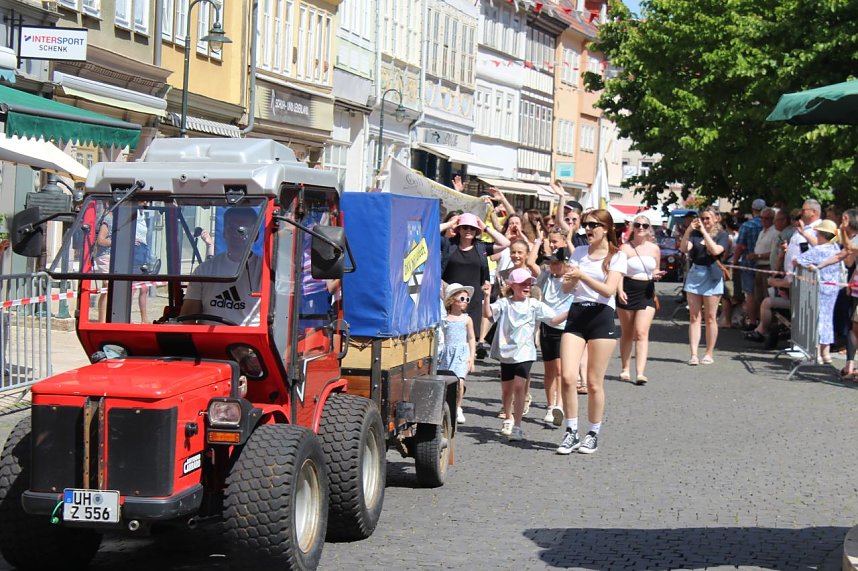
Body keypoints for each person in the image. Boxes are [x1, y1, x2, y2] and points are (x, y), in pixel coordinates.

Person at [555, 209, 627, 455]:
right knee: (567, 376)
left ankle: (593, 432)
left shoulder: (617, 256)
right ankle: (571, 431)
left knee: (594, 383)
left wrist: (582, 275)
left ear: (606, 228)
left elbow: (609, 290)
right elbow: (566, 289)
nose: (588, 229)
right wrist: (571, 278)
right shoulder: (579, 252)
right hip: (577, 315)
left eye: (593, 225)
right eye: (585, 225)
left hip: (601, 317)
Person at [482, 268, 559, 442]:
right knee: (506, 390)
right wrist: (487, 296)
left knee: (519, 386)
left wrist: (573, 313)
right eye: (523, 283)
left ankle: (517, 425)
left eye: (529, 283)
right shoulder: (504, 303)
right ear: (513, 285)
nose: (527, 286)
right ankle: (508, 418)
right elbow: (487, 314)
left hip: (526, 352)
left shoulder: (534, 304)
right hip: (507, 352)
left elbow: (553, 319)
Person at [180, 207, 263, 325]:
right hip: (209, 340)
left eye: (242, 230)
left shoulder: (264, 272)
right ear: (224, 233)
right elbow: (187, 318)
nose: (236, 234)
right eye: (231, 229)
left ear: (256, 235)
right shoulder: (204, 270)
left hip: (249, 341)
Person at [441, 212, 510, 345]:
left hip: (473, 299)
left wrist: (485, 227)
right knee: (448, 335)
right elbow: (429, 232)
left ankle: (468, 361)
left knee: (470, 337)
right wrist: (450, 223)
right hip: (450, 297)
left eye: (472, 228)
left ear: (476, 231)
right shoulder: (448, 244)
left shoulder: (481, 247)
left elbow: (505, 243)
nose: (468, 230)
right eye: (465, 227)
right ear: (459, 229)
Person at [616, 215, 663, 384]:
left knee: (642, 332)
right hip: (628, 289)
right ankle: (625, 368)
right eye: (637, 225)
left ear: (649, 228)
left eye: (644, 225)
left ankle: (640, 372)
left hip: (647, 290)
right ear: (633, 227)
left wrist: (657, 274)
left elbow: (656, 268)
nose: (641, 227)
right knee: (627, 332)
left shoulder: (654, 249)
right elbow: (619, 272)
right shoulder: (625, 248)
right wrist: (620, 290)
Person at [680, 207, 730, 365]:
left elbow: (715, 250)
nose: (705, 221)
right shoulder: (695, 234)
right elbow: (683, 248)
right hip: (696, 273)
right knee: (694, 316)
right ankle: (694, 354)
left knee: (710, 317)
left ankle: (709, 353)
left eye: (708, 218)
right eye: (703, 218)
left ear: (716, 218)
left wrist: (705, 233)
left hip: (712, 275)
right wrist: (688, 231)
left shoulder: (722, 235)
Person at [534, 247, 575, 424]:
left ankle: (559, 405)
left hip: (564, 327)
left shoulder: (572, 280)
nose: (552, 265)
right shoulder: (546, 277)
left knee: (560, 369)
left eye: (556, 262)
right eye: (551, 262)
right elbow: (537, 292)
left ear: (565, 264)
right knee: (549, 369)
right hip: (547, 325)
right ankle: (550, 405)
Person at [794, 219, 842, 364]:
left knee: (815, 319)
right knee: (827, 318)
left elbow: (798, 260)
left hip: (818, 288)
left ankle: (816, 353)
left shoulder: (818, 250)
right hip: (833, 289)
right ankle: (825, 353)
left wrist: (807, 266)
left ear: (821, 234)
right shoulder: (835, 248)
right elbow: (818, 246)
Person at [438, 283, 476, 425]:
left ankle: (458, 407)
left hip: (461, 354)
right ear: (452, 300)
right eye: (462, 298)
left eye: (467, 299)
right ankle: (446, 407)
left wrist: (471, 358)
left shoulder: (467, 319)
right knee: (446, 382)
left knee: (460, 381)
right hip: (447, 353)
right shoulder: (445, 319)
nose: (465, 302)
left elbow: (471, 338)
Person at [732, 199, 766, 329]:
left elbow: (739, 247)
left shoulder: (747, 226)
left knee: (750, 294)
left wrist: (735, 262)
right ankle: (762, 321)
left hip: (748, 263)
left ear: (753, 210)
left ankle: (752, 322)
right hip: (764, 264)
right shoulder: (768, 225)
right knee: (762, 293)